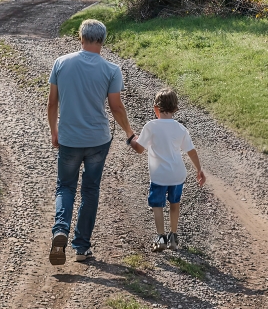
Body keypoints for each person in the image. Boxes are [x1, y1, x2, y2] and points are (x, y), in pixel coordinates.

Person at [47, 19, 140, 266]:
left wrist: (54, 131)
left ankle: (60, 231)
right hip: (98, 140)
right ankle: (81, 247)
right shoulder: (111, 70)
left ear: (81, 38)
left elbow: (52, 103)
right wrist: (130, 133)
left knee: (65, 187)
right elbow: (116, 107)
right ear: (102, 41)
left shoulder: (61, 63)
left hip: (68, 138)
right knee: (90, 190)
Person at [135, 88, 205, 252]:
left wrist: (131, 139)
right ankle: (173, 235)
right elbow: (191, 151)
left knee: (157, 205)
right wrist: (199, 170)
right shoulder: (180, 129)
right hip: (177, 174)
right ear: (175, 109)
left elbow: (139, 148)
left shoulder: (150, 126)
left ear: (155, 108)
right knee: (175, 203)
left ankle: (161, 237)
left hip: (159, 175)